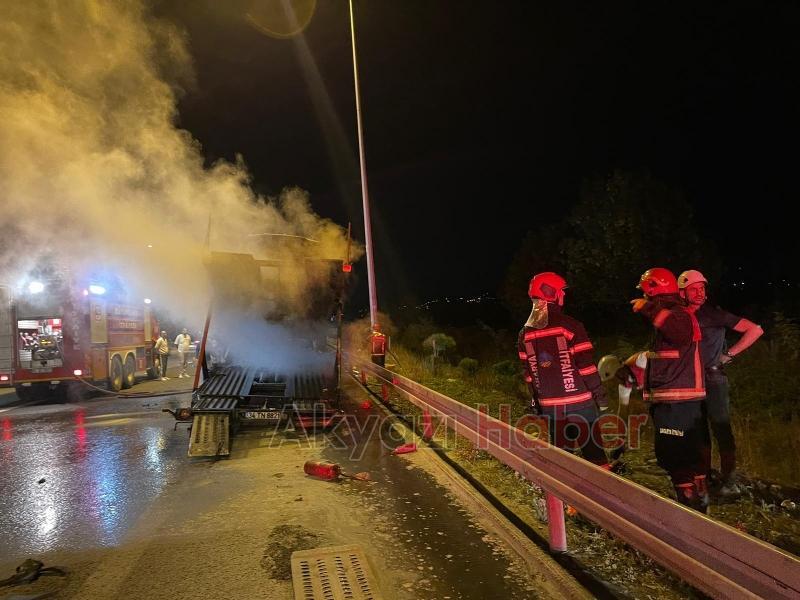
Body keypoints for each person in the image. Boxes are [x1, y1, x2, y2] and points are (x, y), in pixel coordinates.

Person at [677, 269, 763, 497]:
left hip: (713, 380)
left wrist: (729, 355)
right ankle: (704, 476)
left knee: (721, 427)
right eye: (694, 289)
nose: (699, 293)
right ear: (681, 292)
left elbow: (755, 329)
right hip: (689, 383)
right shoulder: (679, 316)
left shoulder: (713, 314)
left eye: (702, 288)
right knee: (698, 431)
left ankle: (729, 478)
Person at [632, 267, 710, 512]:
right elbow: (669, 354)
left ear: (652, 289)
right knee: (689, 455)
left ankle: (690, 509)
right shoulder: (676, 313)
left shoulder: (677, 314)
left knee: (673, 455)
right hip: (679, 399)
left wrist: (647, 308)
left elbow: (678, 333)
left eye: (645, 292)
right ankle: (699, 503)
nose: (643, 297)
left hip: (676, 399)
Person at [517, 272, 610, 470]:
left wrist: (536, 402)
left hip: (550, 408)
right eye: (562, 292)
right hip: (580, 405)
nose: (564, 296)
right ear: (553, 294)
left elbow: (528, 375)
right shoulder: (571, 326)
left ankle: (566, 499)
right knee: (597, 459)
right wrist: (600, 397)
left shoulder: (524, 334)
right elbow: (586, 367)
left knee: (563, 460)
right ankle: (603, 498)